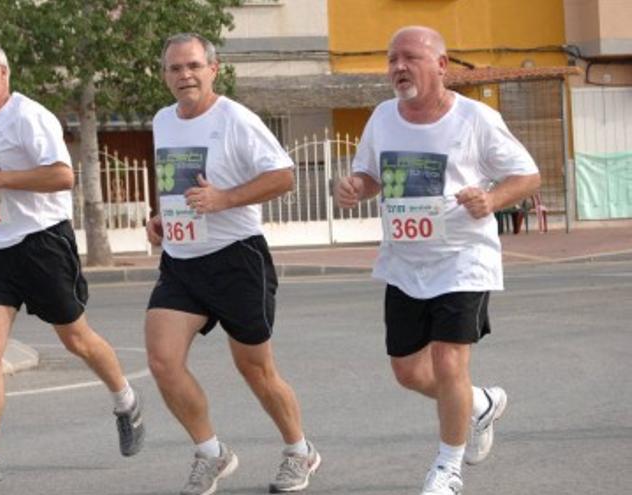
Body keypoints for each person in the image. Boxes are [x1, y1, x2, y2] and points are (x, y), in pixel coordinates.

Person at [334, 26, 541, 495]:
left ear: (442, 66)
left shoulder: (475, 119)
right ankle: (479, 403)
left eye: (410, 57)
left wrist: (491, 198)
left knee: (449, 363)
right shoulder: (384, 117)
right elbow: (368, 175)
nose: (399, 67)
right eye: (392, 59)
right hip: (405, 262)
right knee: (408, 371)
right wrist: (354, 187)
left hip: (462, 258)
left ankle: (447, 468)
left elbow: (527, 175)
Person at [0, 38, 144, 484]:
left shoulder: (29, 116)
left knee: (76, 338)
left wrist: (2, 179)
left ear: (2, 73)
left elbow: (62, 175)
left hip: (43, 243)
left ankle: (126, 400)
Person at [145, 33, 321, 495]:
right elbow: (180, 183)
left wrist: (225, 199)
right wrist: (163, 217)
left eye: (193, 66)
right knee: (163, 362)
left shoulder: (235, 119)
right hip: (182, 261)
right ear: (165, 75)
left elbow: (283, 176)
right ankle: (210, 454)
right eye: (175, 68)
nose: (185, 75)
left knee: (255, 369)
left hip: (237, 259)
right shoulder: (163, 121)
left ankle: (299, 450)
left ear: (213, 69)